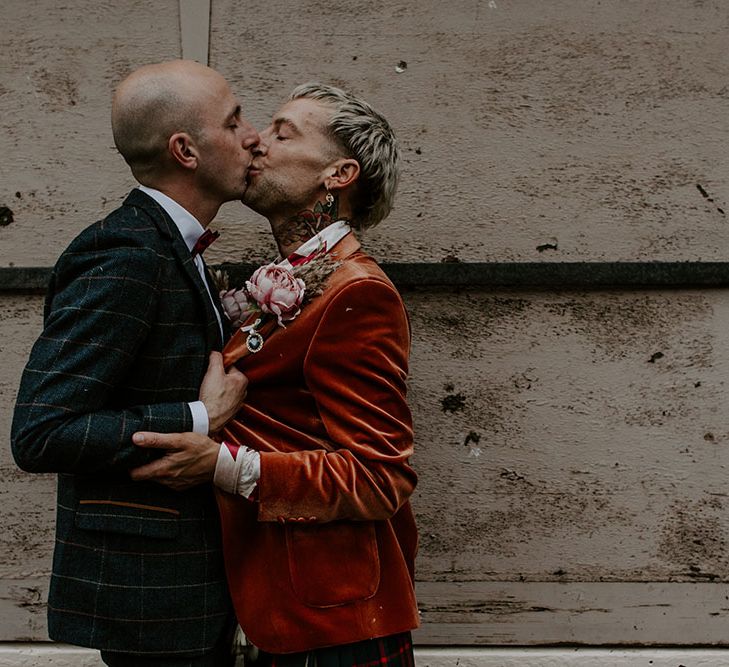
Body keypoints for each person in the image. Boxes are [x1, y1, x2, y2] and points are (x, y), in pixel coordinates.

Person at [131, 83, 419, 666]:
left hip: (332, 624)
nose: (257, 141)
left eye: (284, 133)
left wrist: (221, 464)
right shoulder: (286, 278)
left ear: (338, 175)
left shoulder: (356, 292)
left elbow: (380, 476)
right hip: (276, 607)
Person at [10, 60, 258, 666]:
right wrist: (199, 416)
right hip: (153, 598)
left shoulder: (170, 246)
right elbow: (42, 432)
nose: (253, 135)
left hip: (185, 592)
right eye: (234, 122)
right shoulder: (125, 255)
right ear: (185, 150)